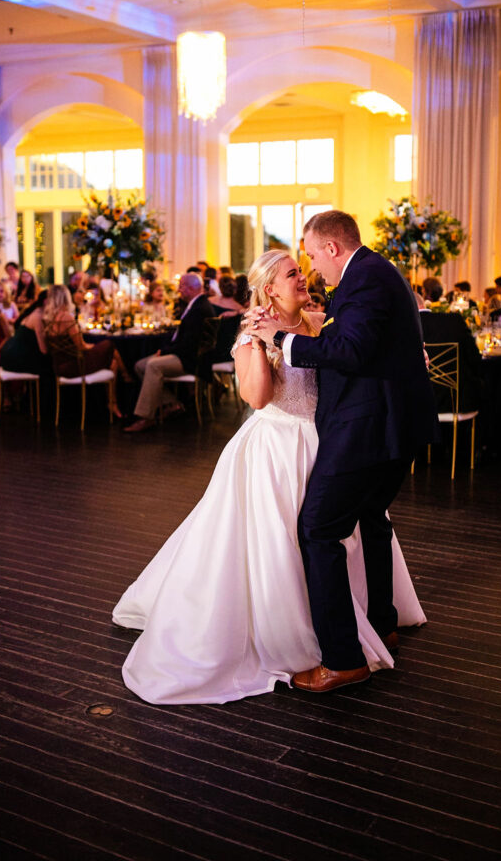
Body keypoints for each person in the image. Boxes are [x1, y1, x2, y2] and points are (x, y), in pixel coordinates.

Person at [113, 248, 426, 704]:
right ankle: (299, 633)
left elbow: (357, 352)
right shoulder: (249, 338)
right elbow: (258, 399)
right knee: (283, 543)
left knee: (344, 531)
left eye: (302, 270)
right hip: (276, 450)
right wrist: (262, 342)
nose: (303, 278)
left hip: (328, 443)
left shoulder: (321, 322)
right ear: (268, 289)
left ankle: (371, 618)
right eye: (292, 274)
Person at [252, 211, 436, 692]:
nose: (313, 268)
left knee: (318, 530)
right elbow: (361, 342)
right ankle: (382, 622)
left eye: (312, 255)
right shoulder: (374, 275)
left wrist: (280, 338)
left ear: (331, 248)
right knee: (372, 515)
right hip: (389, 425)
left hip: (368, 427)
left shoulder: (366, 278)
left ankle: (342, 658)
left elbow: (350, 351)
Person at [124, 272, 215, 433]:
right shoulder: (193, 304)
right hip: (184, 353)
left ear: (192, 288)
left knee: (153, 365)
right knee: (139, 366)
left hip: (192, 360)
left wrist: (165, 351)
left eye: (182, 286)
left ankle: (146, 417)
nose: (179, 290)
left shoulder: (200, 308)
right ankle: (172, 403)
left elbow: (189, 344)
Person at [419, 276, 484, 414]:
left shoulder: (404, 327)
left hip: (417, 404)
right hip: (458, 402)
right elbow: (475, 359)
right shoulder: (455, 321)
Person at [0, 290, 52, 376]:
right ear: (45, 301)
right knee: (51, 366)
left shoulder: (35, 311)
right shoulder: (38, 316)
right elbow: (44, 350)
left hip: (11, 355)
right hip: (15, 359)